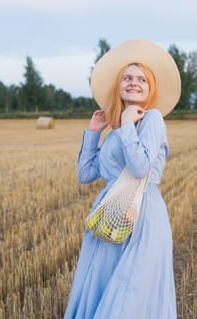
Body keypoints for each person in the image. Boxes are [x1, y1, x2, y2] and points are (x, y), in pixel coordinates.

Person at [64, 39, 181, 319]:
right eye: (127, 78)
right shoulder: (117, 130)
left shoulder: (151, 119)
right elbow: (86, 174)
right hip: (109, 216)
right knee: (107, 289)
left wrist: (128, 124)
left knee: (129, 296)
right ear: (118, 86)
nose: (134, 83)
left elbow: (140, 168)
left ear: (150, 88)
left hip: (141, 217)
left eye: (142, 79)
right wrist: (94, 132)